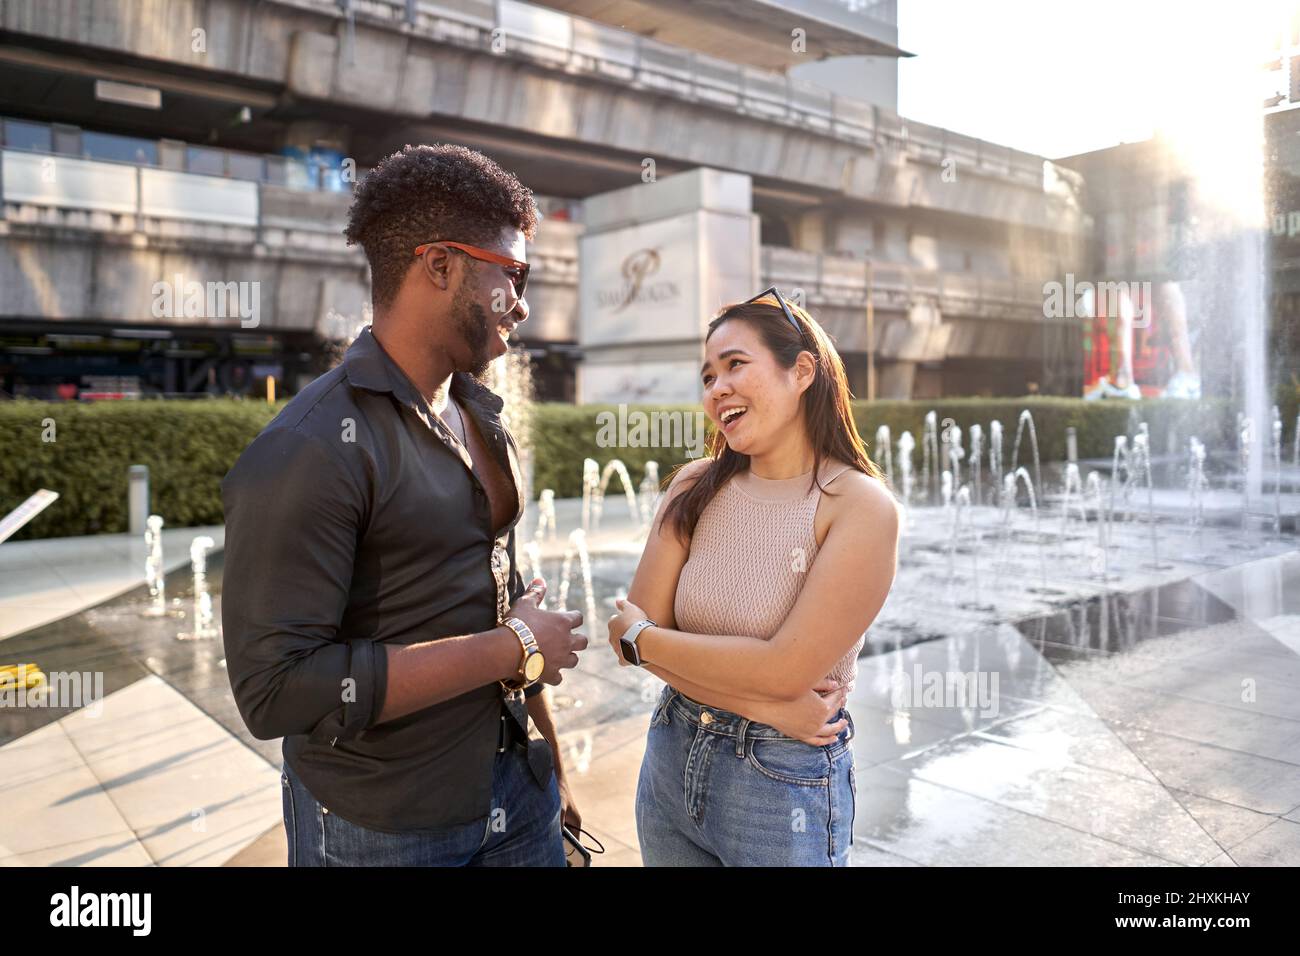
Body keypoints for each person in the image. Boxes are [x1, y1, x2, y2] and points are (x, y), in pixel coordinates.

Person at [221, 144, 587, 866]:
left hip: (519, 790)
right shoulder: (312, 445)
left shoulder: (481, 413)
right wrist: (512, 648)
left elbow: (504, 602)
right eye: (511, 274)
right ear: (441, 265)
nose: (522, 302)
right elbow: (275, 690)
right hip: (382, 825)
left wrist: (554, 764)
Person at [607, 289, 900, 866]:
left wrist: (646, 642)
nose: (717, 388)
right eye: (708, 376)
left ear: (803, 371)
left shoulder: (858, 506)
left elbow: (784, 667)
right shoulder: (693, 486)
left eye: (735, 365)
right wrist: (770, 704)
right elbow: (626, 642)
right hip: (672, 753)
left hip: (781, 781)